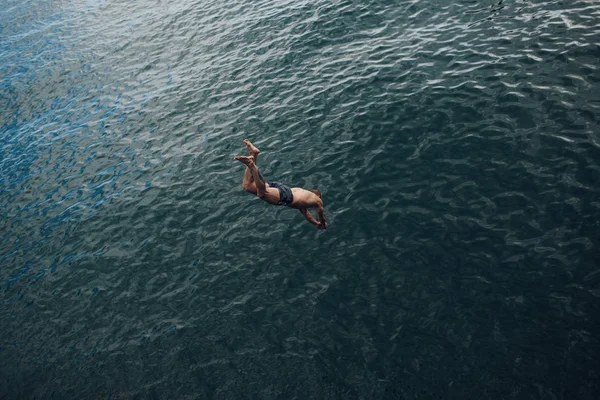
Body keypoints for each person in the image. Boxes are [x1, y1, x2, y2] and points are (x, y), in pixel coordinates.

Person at [234, 139, 328, 230]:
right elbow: (321, 212)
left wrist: (316, 223)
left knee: (247, 186)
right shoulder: (316, 199)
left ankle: (253, 154)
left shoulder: (304, 199)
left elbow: (306, 214)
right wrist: (323, 224)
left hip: (283, 189)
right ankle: (251, 165)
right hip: (287, 196)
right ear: (318, 195)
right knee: (262, 193)